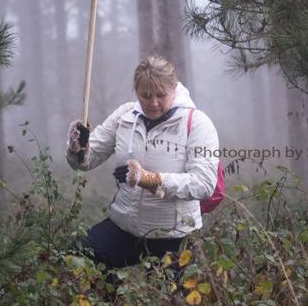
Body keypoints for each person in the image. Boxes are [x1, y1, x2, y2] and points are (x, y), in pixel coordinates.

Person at [66, 56, 220, 271]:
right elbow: (86, 162)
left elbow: (204, 184)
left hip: (173, 235)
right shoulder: (125, 116)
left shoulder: (197, 123)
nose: (153, 102)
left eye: (161, 95)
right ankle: (113, 294)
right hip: (124, 227)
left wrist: (148, 179)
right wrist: (78, 148)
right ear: (136, 91)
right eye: (145, 95)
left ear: (174, 88)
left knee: (165, 292)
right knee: (77, 258)